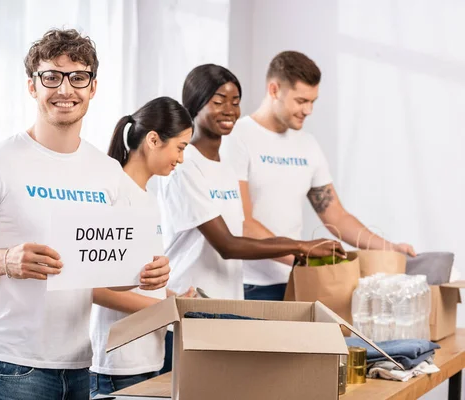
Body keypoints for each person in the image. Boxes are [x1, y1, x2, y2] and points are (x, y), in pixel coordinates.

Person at [0, 29, 170, 400]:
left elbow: (105, 270)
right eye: (51, 77)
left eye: (78, 77)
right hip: (8, 368)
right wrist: (5, 259)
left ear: (92, 88)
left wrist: (145, 273)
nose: (65, 89)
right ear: (32, 86)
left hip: (78, 368)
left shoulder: (107, 172)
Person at [156, 64, 345, 374]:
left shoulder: (226, 166)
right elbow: (228, 245)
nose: (229, 110)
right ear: (194, 104)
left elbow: (240, 230)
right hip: (187, 316)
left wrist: (302, 251)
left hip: (226, 312)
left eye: (235, 100)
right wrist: (300, 248)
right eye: (218, 101)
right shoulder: (185, 164)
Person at [220, 51, 416, 302]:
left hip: (298, 280)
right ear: (274, 89)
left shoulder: (308, 144)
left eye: (313, 101)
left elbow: (336, 214)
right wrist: (302, 255)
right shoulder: (237, 138)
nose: (308, 110)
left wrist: (388, 248)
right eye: (301, 100)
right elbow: (242, 222)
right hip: (249, 284)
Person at [89, 96, 195, 397]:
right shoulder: (110, 193)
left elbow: (136, 278)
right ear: (153, 139)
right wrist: (166, 308)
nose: (181, 158)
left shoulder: (148, 197)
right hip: (117, 364)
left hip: (149, 356)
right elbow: (93, 287)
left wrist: (173, 298)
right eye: (180, 147)